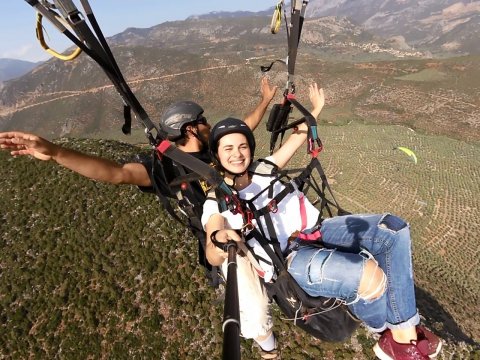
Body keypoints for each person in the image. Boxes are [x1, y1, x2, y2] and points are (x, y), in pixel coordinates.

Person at [201, 83, 443, 359]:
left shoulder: (265, 168)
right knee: (369, 276)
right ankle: (389, 335)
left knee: (394, 230)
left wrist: (315, 109)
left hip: (318, 231)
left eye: (243, 146)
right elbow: (213, 241)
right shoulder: (218, 201)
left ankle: (401, 334)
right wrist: (219, 241)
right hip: (290, 260)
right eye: (228, 148)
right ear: (217, 155)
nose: (237, 153)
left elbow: (298, 136)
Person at [0, 77, 277, 287]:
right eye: (203, 121)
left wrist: (265, 101)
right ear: (191, 128)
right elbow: (117, 173)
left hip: (251, 222)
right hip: (223, 241)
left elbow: (242, 128)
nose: (209, 125)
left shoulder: (215, 147)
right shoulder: (168, 167)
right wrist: (58, 153)